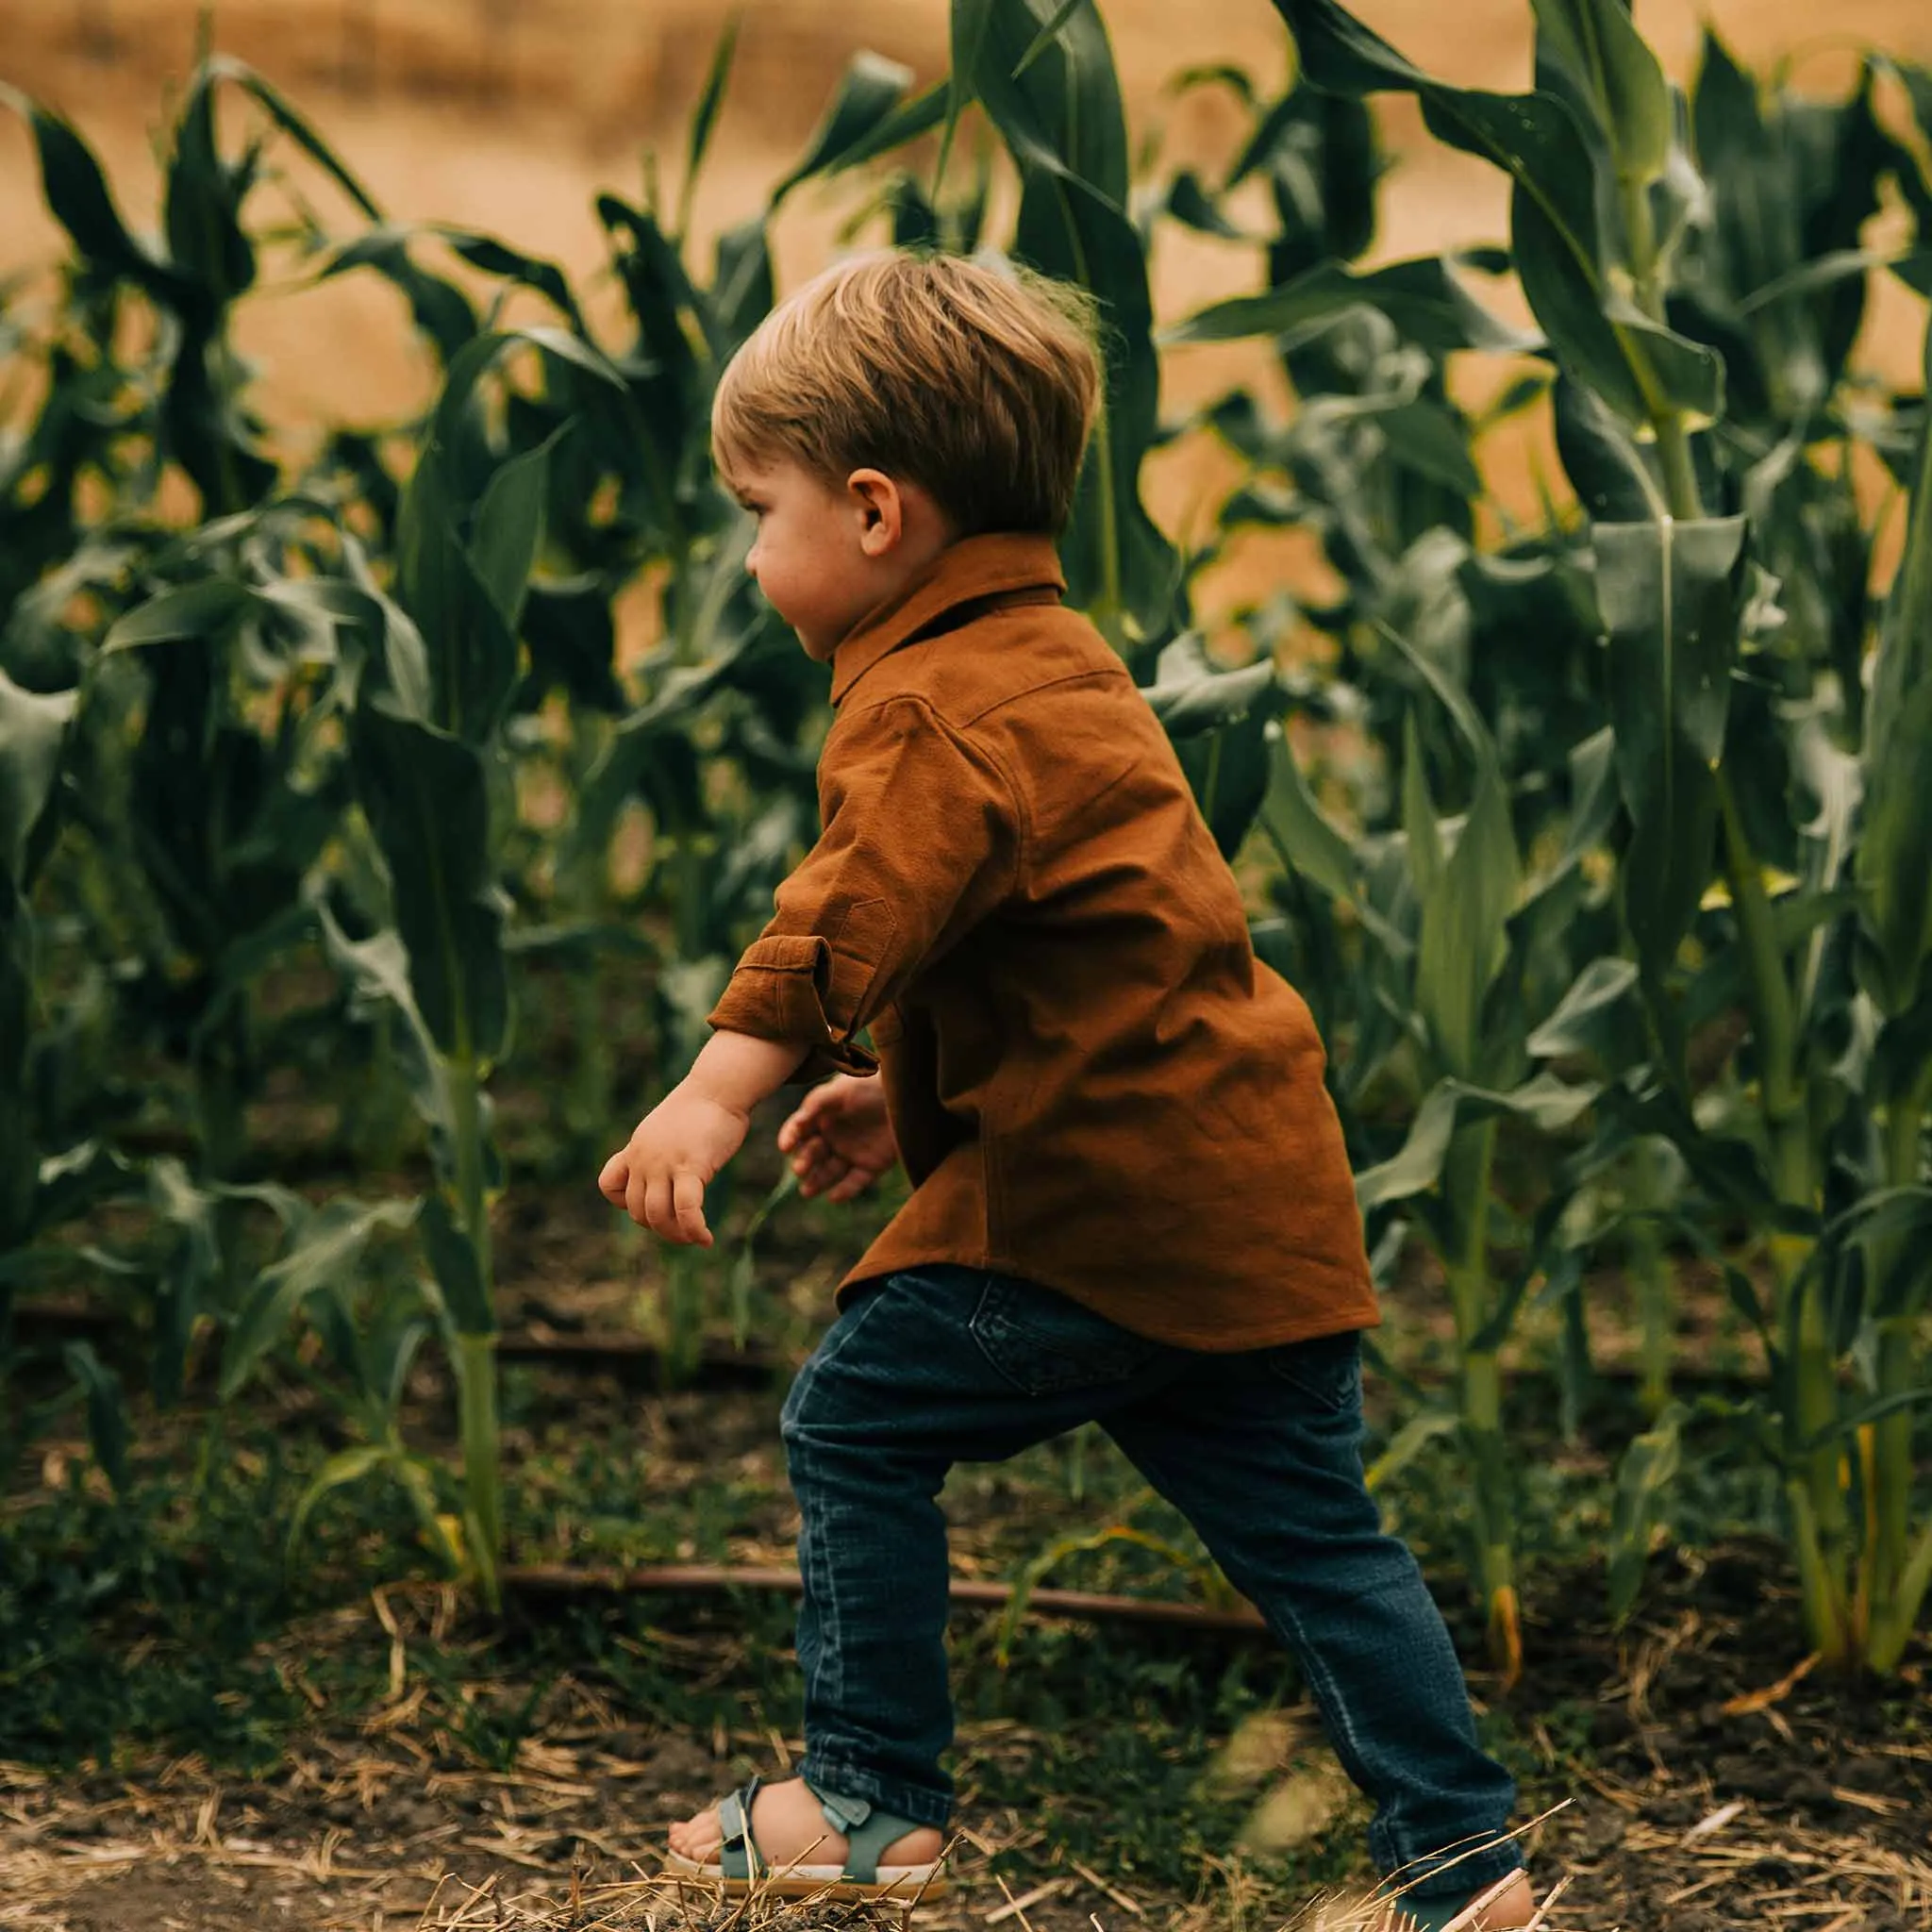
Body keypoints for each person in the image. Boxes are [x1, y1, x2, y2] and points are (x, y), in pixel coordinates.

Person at [597, 251, 1537, 1931]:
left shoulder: (933, 706)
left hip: (1102, 1210)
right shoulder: (1058, 662)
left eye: (762, 507)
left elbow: (849, 913)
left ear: (875, 512)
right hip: (1244, 1191)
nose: (752, 554)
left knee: (855, 1417)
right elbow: (1084, 950)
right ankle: (1466, 1863)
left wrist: (714, 1092)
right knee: (1319, 1540)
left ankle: (872, 1796)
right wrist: (906, 1097)